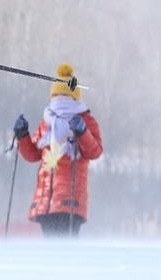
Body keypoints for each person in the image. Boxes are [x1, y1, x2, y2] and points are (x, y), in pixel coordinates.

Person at [14, 63, 102, 238]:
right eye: (57, 96)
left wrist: (82, 132)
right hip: (46, 200)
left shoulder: (85, 120)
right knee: (51, 251)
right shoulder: (47, 122)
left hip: (71, 200)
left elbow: (94, 151)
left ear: (74, 97)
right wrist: (22, 135)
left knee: (65, 252)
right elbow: (32, 154)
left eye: (64, 96)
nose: (60, 101)